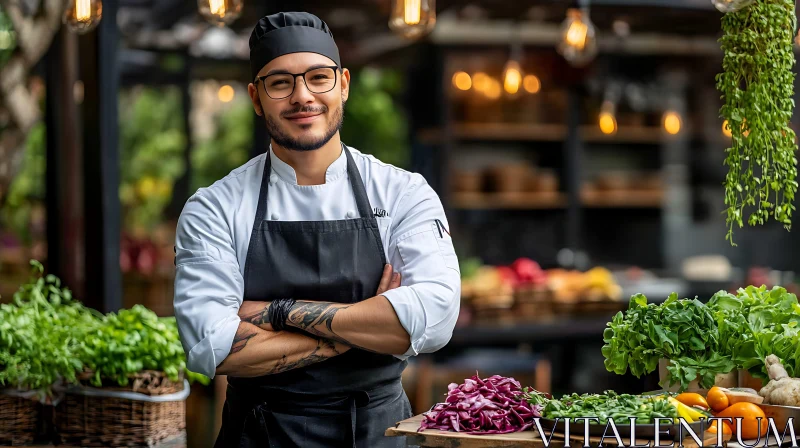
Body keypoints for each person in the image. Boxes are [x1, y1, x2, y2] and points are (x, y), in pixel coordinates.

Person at [173, 11, 462, 447]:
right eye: (280, 82)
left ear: (343, 84)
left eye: (318, 77)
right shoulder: (214, 207)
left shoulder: (403, 193)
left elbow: (436, 319)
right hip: (261, 434)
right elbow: (209, 346)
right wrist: (366, 324)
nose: (302, 96)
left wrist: (276, 311)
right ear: (256, 97)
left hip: (378, 434)